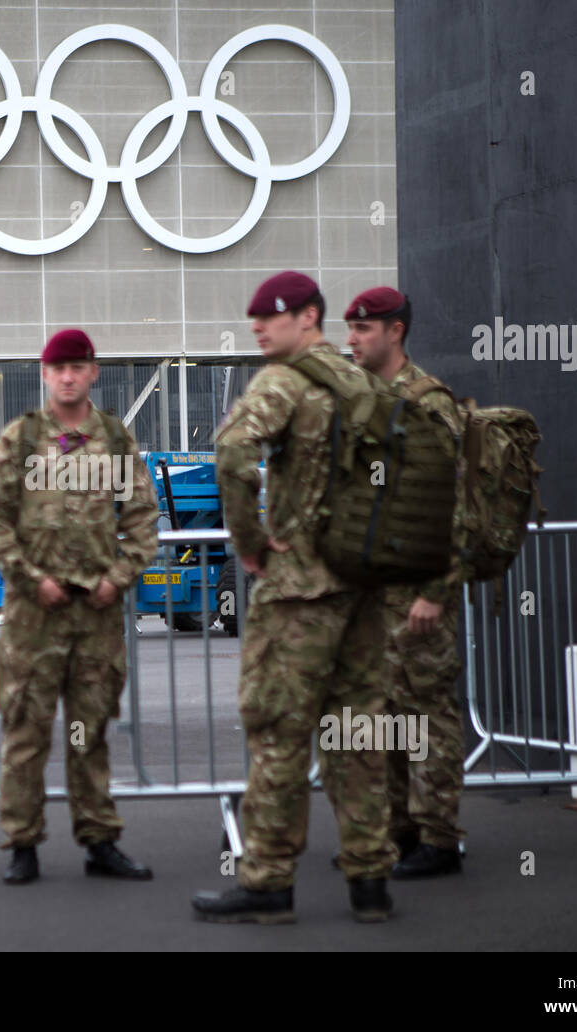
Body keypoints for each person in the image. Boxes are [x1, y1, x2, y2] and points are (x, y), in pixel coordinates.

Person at [191, 271, 396, 925]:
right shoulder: (362, 383)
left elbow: (231, 454)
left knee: (279, 732)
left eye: (271, 316)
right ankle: (370, 881)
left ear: (309, 317)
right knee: (359, 732)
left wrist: (249, 540)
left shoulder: (283, 380)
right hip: (362, 587)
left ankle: (269, 881)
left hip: (300, 590)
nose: (258, 326)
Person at [0, 328, 159, 884]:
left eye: (77, 366)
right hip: (36, 616)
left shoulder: (114, 437)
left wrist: (120, 577)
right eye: (57, 367)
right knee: (26, 732)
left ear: (93, 371)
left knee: (92, 729)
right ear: (44, 374)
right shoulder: (22, 438)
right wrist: (31, 579)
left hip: (97, 614)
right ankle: (22, 844)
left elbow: (142, 517)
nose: (68, 376)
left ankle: (100, 840)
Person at [342, 286, 466, 879]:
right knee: (384, 713)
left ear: (395, 331)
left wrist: (435, 592)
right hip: (376, 594)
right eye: (350, 329)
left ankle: (441, 839)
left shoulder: (428, 402)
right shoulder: (366, 401)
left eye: (364, 329)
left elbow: (457, 506)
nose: (352, 339)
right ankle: (399, 832)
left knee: (429, 710)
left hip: (418, 592)